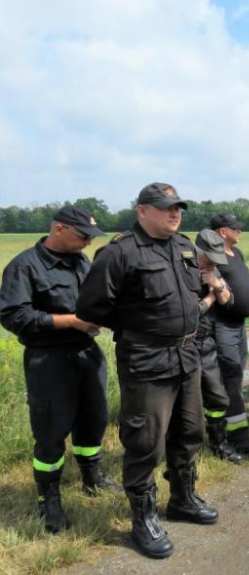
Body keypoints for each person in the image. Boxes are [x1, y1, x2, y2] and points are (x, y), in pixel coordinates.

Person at [76, 183, 218, 559]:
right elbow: (91, 308)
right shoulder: (120, 253)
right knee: (145, 442)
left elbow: (188, 297)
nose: (175, 214)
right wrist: (134, 327)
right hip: (147, 361)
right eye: (166, 208)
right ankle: (143, 518)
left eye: (178, 208)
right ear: (142, 211)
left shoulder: (184, 247)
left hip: (187, 357)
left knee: (190, 432)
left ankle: (182, 499)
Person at [0, 206, 117, 534]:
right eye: (83, 235)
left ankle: (92, 478)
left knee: (93, 420)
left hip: (86, 353)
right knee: (51, 431)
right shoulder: (25, 266)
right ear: (60, 229)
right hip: (48, 359)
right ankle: (48, 497)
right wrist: (72, 322)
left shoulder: (81, 261)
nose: (88, 242)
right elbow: (13, 316)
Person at [192, 229, 242, 465]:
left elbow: (229, 300)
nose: (212, 263)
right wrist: (211, 298)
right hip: (184, 344)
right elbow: (189, 314)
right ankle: (185, 451)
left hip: (206, 341)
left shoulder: (213, 270)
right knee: (186, 404)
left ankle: (218, 443)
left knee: (217, 396)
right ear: (197, 251)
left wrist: (216, 285)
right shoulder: (183, 269)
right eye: (209, 258)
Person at [210, 214, 249, 453]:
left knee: (237, 374)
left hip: (239, 325)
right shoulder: (213, 258)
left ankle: (234, 428)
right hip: (222, 324)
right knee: (230, 377)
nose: (240, 231)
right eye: (235, 228)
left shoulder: (235, 254)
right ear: (222, 232)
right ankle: (235, 435)